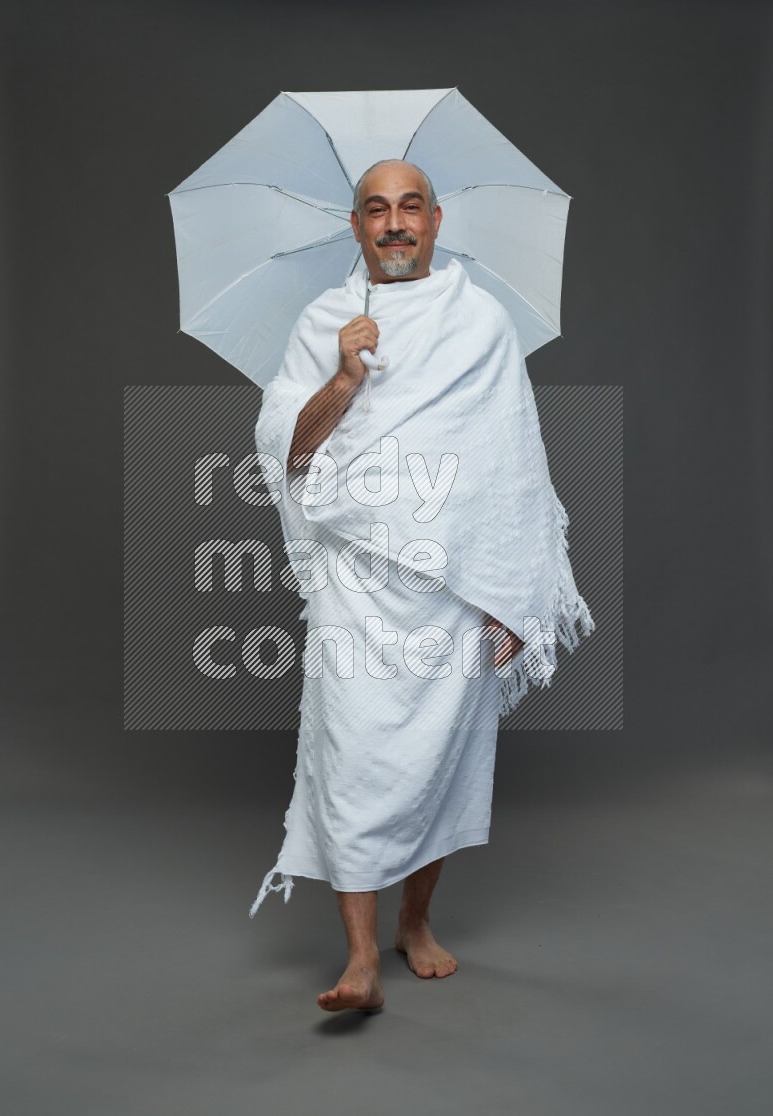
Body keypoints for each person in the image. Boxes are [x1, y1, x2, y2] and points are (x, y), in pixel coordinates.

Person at [250, 159, 594, 1013]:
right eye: (377, 209)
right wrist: (342, 379)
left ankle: (415, 923)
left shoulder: (479, 322)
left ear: (436, 221)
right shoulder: (326, 320)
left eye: (410, 208)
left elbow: (510, 465)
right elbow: (289, 457)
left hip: (455, 582)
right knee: (355, 755)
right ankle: (360, 959)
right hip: (356, 585)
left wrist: (510, 592)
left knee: (442, 759)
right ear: (355, 224)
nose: (395, 223)